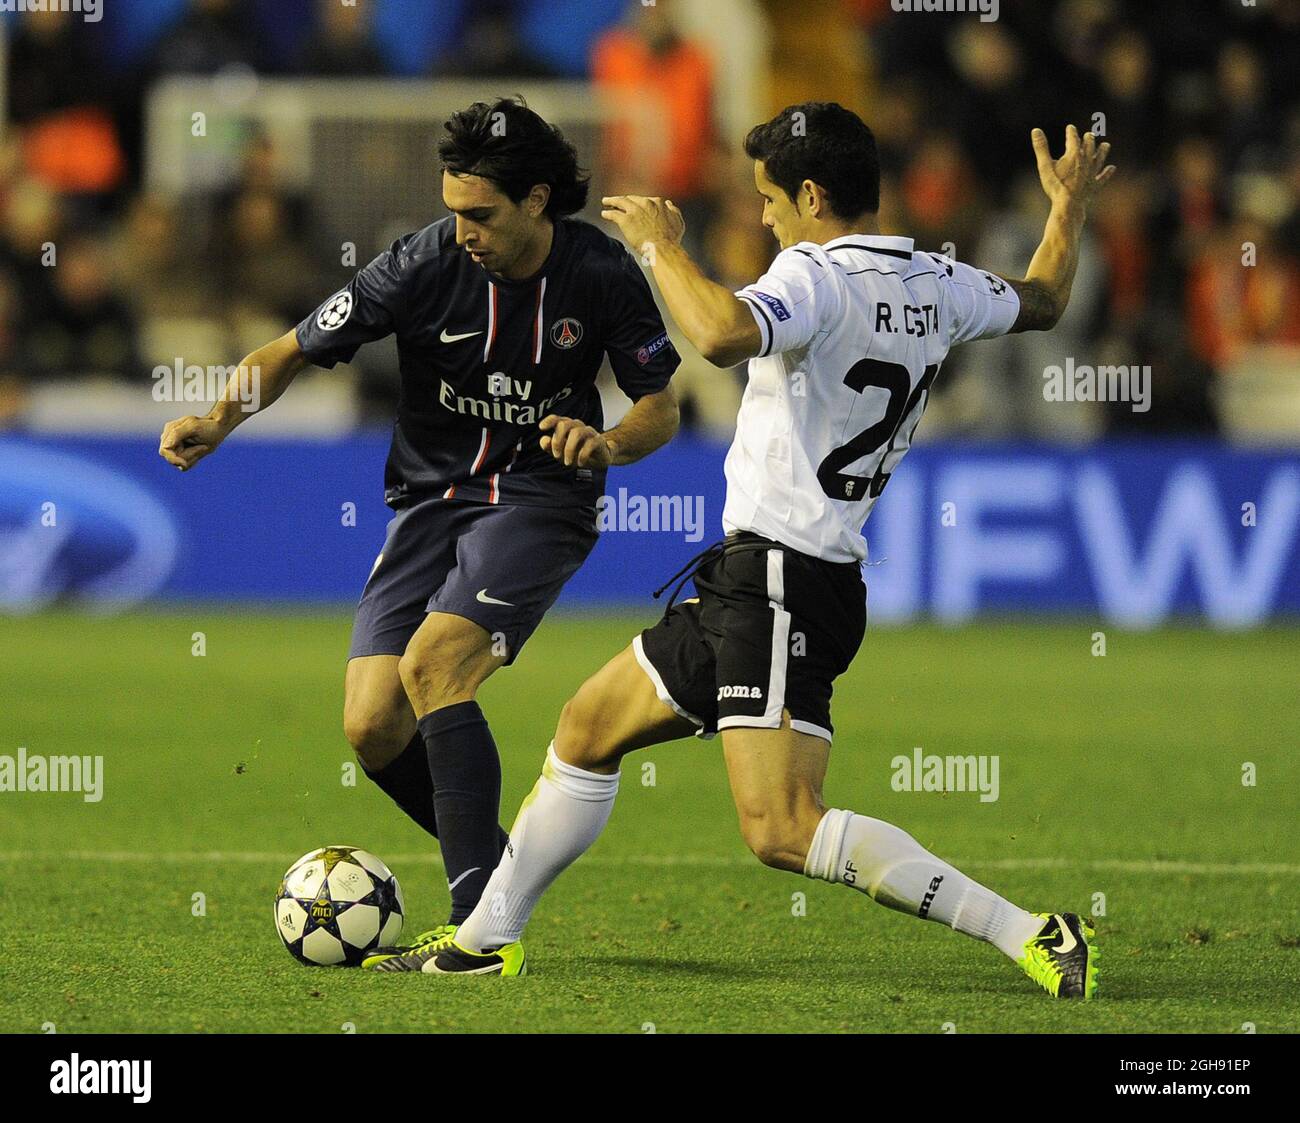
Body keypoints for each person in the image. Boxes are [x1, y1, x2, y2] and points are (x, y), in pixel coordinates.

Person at [377, 104, 1115, 1001]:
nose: (765, 217)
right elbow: (1044, 299)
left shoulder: (813, 275)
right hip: (764, 580)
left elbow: (724, 334)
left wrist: (659, 246)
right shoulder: (938, 281)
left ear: (811, 195)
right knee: (585, 730)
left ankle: (1031, 930)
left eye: (770, 199)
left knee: (783, 829)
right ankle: (487, 939)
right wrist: (1067, 205)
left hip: (781, 585)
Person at [158, 97, 681, 957]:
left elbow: (658, 404)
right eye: (452, 209)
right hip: (429, 500)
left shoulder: (600, 274)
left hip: (542, 498)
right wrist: (219, 417)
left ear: (538, 201)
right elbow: (288, 348)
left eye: (480, 213)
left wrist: (609, 442)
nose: (462, 228)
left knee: (434, 663)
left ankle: (484, 927)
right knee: (371, 723)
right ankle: (500, 868)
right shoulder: (422, 263)